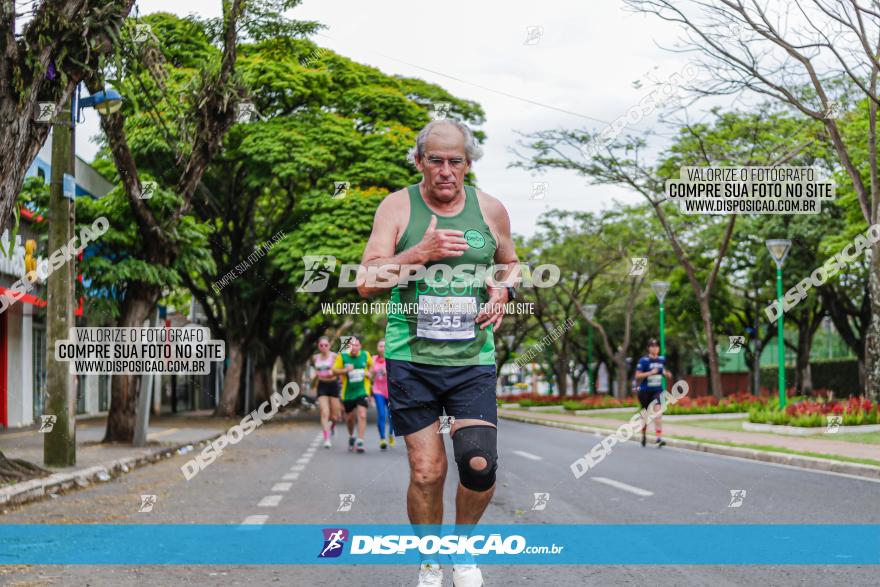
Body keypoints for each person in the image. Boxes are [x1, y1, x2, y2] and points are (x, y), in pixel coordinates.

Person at [357, 119, 518, 587]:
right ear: (419, 161)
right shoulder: (396, 207)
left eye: (456, 161)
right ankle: (430, 561)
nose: (446, 171)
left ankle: (461, 548)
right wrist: (420, 253)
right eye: (436, 160)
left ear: (468, 164)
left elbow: (509, 263)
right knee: (427, 472)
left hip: (471, 360)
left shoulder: (490, 210)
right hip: (412, 358)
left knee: (478, 463)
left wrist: (503, 290)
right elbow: (367, 282)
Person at [333, 336, 373, 453]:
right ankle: (351, 436)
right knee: (350, 418)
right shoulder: (343, 357)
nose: (354, 347)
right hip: (348, 393)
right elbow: (334, 370)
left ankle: (360, 441)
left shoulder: (365, 355)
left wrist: (369, 373)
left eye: (356, 345)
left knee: (362, 414)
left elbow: (372, 365)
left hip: (362, 390)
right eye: (351, 345)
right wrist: (345, 370)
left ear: (360, 346)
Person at [634, 338, 673, 447]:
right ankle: (644, 434)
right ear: (648, 348)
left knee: (658, 411)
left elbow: (662, 370)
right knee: (645, 415)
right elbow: (637, 375)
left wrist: (666, 374)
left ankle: (659, 437)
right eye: (652, 346)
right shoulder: (644, 361)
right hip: (645, 391)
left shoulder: (661, 359)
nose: (655, 348)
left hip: (657, 390)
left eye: (656, 346)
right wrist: (650, 372)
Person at [312, 337, 341, 449]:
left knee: (335, 416)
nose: (323, 347)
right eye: (321, 345)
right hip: (322, 386)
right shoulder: (315, 358)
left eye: (326, 345)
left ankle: (332, 425)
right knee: (324, 412)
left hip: (333, 385)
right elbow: (316, 373)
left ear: (329, 346)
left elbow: (340, 369)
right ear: (318, 346)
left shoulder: (335, 356)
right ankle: (327, 439)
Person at [370, 339, 395, 449]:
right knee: (381, 414)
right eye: (380, 346)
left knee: (392, 416)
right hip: (378, 391)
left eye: (384, 346)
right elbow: (369, 373)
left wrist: (388, 371)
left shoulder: (392, 359)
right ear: (377, 348)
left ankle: (391, 434)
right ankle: (382, 439)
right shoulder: (373, 359)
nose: (382, 348)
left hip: (390, 391)